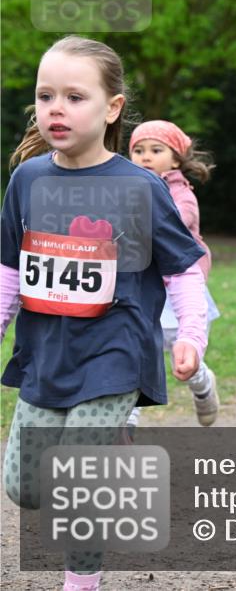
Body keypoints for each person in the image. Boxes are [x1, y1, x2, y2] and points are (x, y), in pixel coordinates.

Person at [1, 36, 207, 591]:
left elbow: (183, 271)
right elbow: (10, 269)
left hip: (115, 354)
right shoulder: (26, 180)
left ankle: (81, 581)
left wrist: (191, 335)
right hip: (46, 354)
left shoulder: (140, 187)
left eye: (74, 97)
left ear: (112, 107)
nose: (56, 109)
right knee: (25, 487)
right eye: (46, 96)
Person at [128, 120, 221, 430]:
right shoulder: (125, 188)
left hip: (177, 290)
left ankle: (203, 386)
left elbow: (175, 223)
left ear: (176, 160)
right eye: (138, 150)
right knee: (136, 353)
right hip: (141, 286)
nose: (145, 156)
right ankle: (127, 420)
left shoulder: (181, 195)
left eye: (156, 150)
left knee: (183, 361)